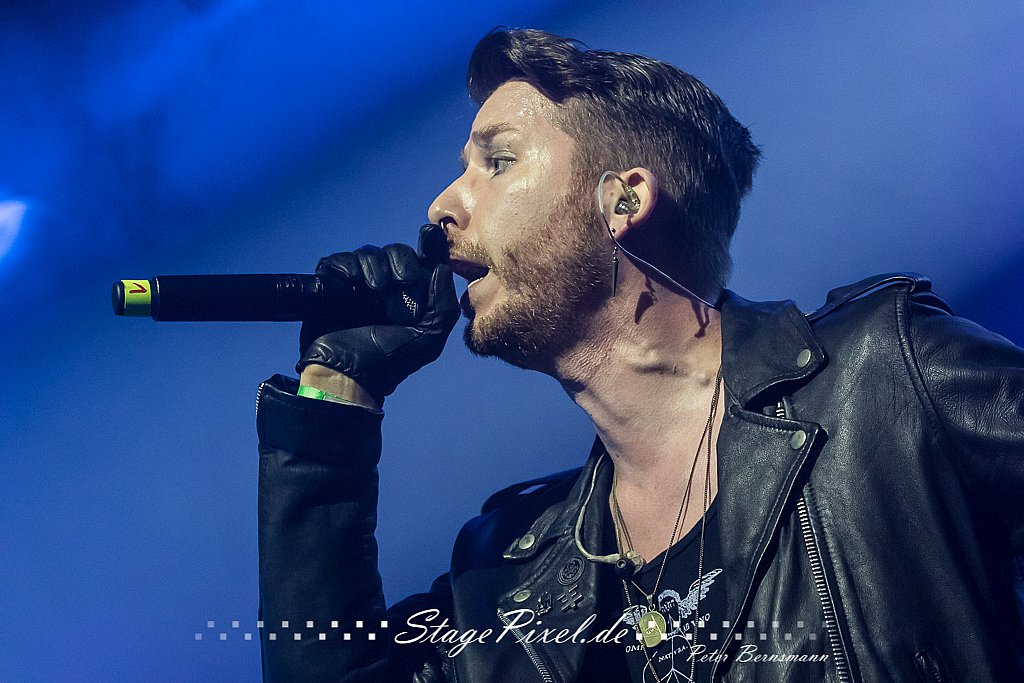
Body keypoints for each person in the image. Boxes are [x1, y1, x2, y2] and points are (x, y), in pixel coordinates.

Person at [255, 28, 1024, 682]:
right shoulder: (509, 579)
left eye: (498, 161)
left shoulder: (885, 376)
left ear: (622, 200)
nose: (442, 205)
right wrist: (336, 391)